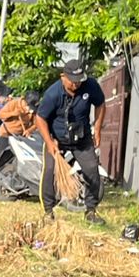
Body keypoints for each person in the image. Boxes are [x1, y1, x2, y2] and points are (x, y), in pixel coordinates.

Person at [35, 58, 106, 221]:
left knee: (92, 170)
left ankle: (90, 210)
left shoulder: (91, 86)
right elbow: (40, 118)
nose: (76, 84)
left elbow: (101, 104)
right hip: (56, 139)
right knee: (50, 171)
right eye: (72, 81)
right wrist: (49, 142)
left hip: (82, 139)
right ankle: (48, 212)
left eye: (79, 80)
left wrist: (97, 129)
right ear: (63, 77)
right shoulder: (53, 93)